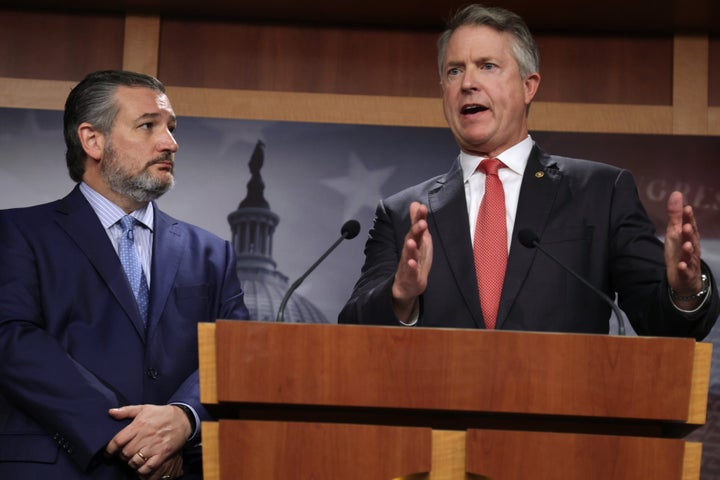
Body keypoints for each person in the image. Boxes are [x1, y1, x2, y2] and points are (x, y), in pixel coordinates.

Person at [338, 5, 719, 338]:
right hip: (442, 417)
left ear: (528, 86)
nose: (468, 83)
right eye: (455, 71)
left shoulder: (601, 192)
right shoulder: (402, 213)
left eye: (487, 66)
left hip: (560, 412)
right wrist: (400, 296)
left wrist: (685, 291)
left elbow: (666, 324)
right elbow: (354, 329)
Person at [0, 70, 250, 479]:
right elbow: (12, 343)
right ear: (92, 140)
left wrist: (183, 418)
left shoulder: (212, 253)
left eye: (170, 127)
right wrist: (133, 435)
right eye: (148, 125)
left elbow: (236, 354)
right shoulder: (16, 234)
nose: (171, 142)